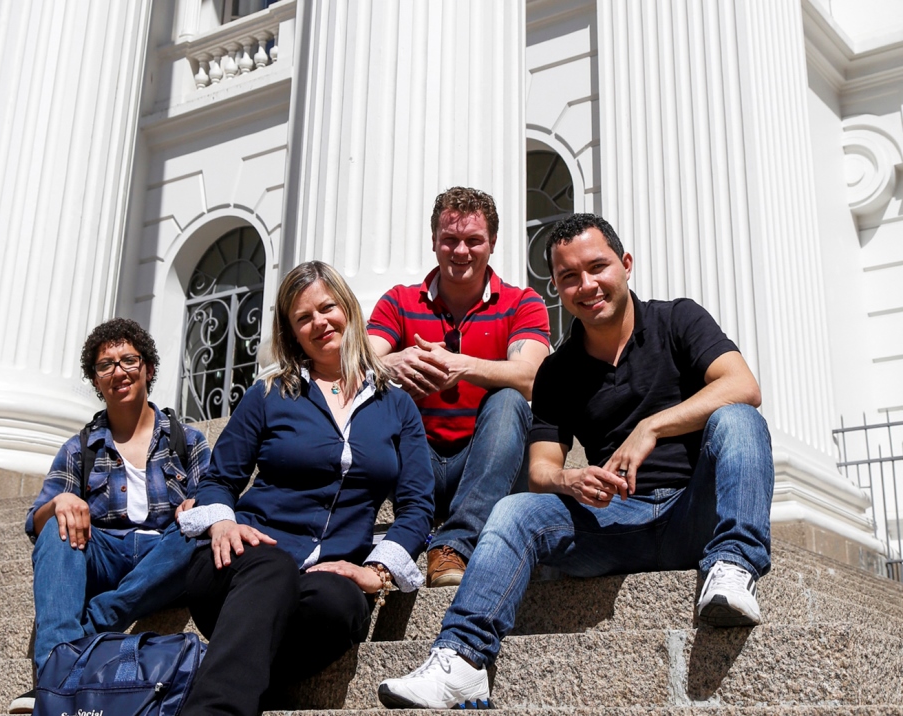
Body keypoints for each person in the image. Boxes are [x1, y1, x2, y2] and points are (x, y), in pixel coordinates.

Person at [378, 213, 775, 709]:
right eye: (569, 277)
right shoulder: (558, 370)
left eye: (597, 267)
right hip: (614, 519)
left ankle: (734, 564)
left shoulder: (678, 319)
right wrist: (568, 479)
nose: (586, 285)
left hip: (691, 512)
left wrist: (651, 427)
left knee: (737, 417)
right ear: (557, 288)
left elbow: (744, 385)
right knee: (514, 511)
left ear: (625, 265)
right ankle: (462, 662)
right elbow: (542, 468)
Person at [176, 261, 435, 716]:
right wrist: (220, 524)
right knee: (273, 568)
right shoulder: (269, 394)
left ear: (349, 309)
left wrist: (378, 571)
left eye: (327, 308)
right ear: (291, 332)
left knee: (341, 604)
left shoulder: (397, 406)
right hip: (239, 566)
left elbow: (416, 507)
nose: (319, 323)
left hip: (322, 577)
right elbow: (220, 478)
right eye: (303, 318)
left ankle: (244, 679)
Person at [9, 318, 210, 714]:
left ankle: (96, 621)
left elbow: (216, 495)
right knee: (56, 530)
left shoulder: (187, 439)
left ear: (148, 369)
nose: (118, 371)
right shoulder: (79, 447)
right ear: (96, 380)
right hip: (104, 553)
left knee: (201, 526)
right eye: (106, 365)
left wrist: (198, 505)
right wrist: (59, 504)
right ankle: (55, 673)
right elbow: (35, 522)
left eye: (128, 360)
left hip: (164, 556)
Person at [367, 187, 551, 587]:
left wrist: (461, 366)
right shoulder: (398, 303)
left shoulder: (523, 302)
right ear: (434, 241)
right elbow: (354, 363)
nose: (461, 251)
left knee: (509, 401)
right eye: (450, 240)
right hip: (420, 464)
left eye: (473, 240)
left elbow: (532, 377)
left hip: (489, 462)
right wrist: (392, 362)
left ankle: (455, 544)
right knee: (384, 395)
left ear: (493, 244)